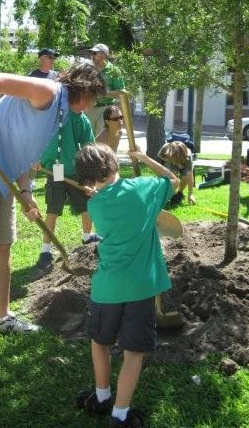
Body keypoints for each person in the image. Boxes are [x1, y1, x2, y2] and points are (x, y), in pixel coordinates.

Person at [0, 63, 106, 357]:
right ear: (83, 90)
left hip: (2, 173)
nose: (93, 104)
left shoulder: (62, 112)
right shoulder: (49, 91)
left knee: (2, 247)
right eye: (94, 97)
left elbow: (23, 149)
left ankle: (1, 318)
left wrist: (26, 192)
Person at [74, 143, 179, 428]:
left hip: (106, 288)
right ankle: (120, 415)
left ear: (87, 178)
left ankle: (101, 395)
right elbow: (174, 180)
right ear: (115, 164)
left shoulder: (94, 204)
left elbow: (110, 199)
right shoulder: (144, 188)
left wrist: (98, 190)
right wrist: (145, 158)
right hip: (140, 288)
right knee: (133, 352)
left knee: (100, 342)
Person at [36, 103, 100, 270]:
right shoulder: (49, 115)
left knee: (85, 205)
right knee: (53, 209)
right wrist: (37, 159)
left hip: (73, 169)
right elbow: (38, 138)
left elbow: (89, 148)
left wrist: (90, 178)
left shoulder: (80, 119)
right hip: (56, 170)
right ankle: (45, 251)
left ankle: (87, 237)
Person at [85, 43, 125, 135]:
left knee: (101, 139)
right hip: (88, 108)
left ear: (104, 54)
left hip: (105, 109)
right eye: (91, 53)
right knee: (88, 141)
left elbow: (121, 92)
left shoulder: (114, 70)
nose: (92, 56)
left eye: (95, 53)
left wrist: (104, 93)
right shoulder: (88, 69)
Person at [158, 140, 195, 205]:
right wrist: (172, 162)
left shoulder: (188, 157)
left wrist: (190, 194)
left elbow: (189, 175)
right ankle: (172, 194)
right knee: (170, 177)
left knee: (185, 177)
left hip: (184, 161)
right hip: (169, 159)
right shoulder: (164, 150)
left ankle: (179, 193)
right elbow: (160, 157)